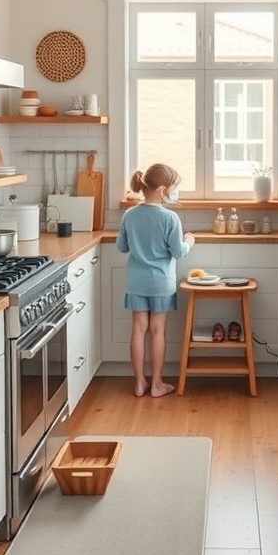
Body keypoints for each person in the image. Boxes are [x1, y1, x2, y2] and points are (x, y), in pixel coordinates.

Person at [117, 163, 195, 397]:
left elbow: (122, 247)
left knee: (138, 330)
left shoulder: (130, 215)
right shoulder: (170, 218)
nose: (175, 192)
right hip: (161, 282)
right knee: (157, 331)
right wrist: (189, 241)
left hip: (136, 282)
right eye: (174, 188)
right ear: (162, 189)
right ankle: (157, 384)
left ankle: (139, 383)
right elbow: (178, 252)